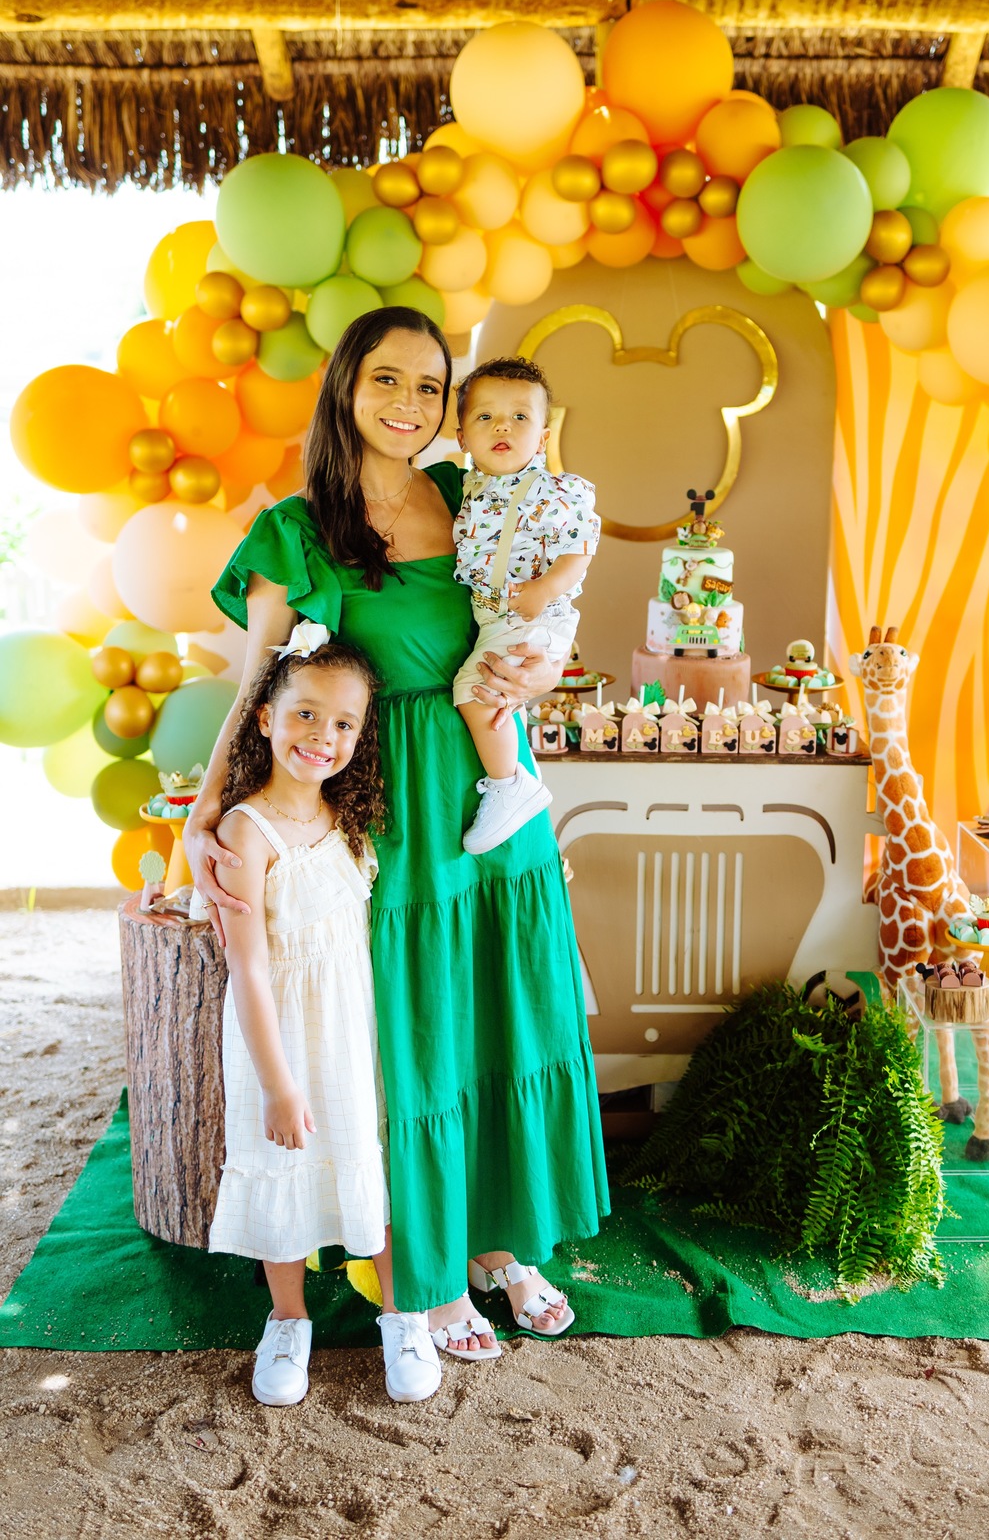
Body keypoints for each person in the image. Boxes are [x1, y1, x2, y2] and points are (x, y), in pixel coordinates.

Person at [185, 307, 608, 1395]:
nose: (411, 405)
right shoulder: (298, 525)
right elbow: (260, 678)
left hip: (490, 788)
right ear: (346, 386)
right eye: (388, 380)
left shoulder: (478, 495)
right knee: (417, 1032)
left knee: (499, 1010)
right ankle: (429, 1272)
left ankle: (498, 1241)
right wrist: (205, 806)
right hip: (388, 798)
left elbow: (536, 615)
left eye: (431, 386)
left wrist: (534, 677)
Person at [200, 620, 441, 1406]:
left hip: (348, 1029)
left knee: (367, 1165)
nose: (322, 736)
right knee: (284, 1174)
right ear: (265, 718)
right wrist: (276, 1084)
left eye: (343, 723)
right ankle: (288, 1319)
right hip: (280, 1042)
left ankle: (403, 1318)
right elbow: (250, 966)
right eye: (304, 713)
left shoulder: (349, 819)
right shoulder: (246, 829)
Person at [451, 356, 599, 854]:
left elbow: (580, 549)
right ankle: (508, 779)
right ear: (462, 436)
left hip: (535, 613)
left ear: (542, 436)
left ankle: (511, 784)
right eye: (485, 416)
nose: (503, 427)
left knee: (476, 690)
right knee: (487, 692)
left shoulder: (557, 491)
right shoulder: (468, 492)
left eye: (520, 417)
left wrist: (546, 588)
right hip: (498, 615)